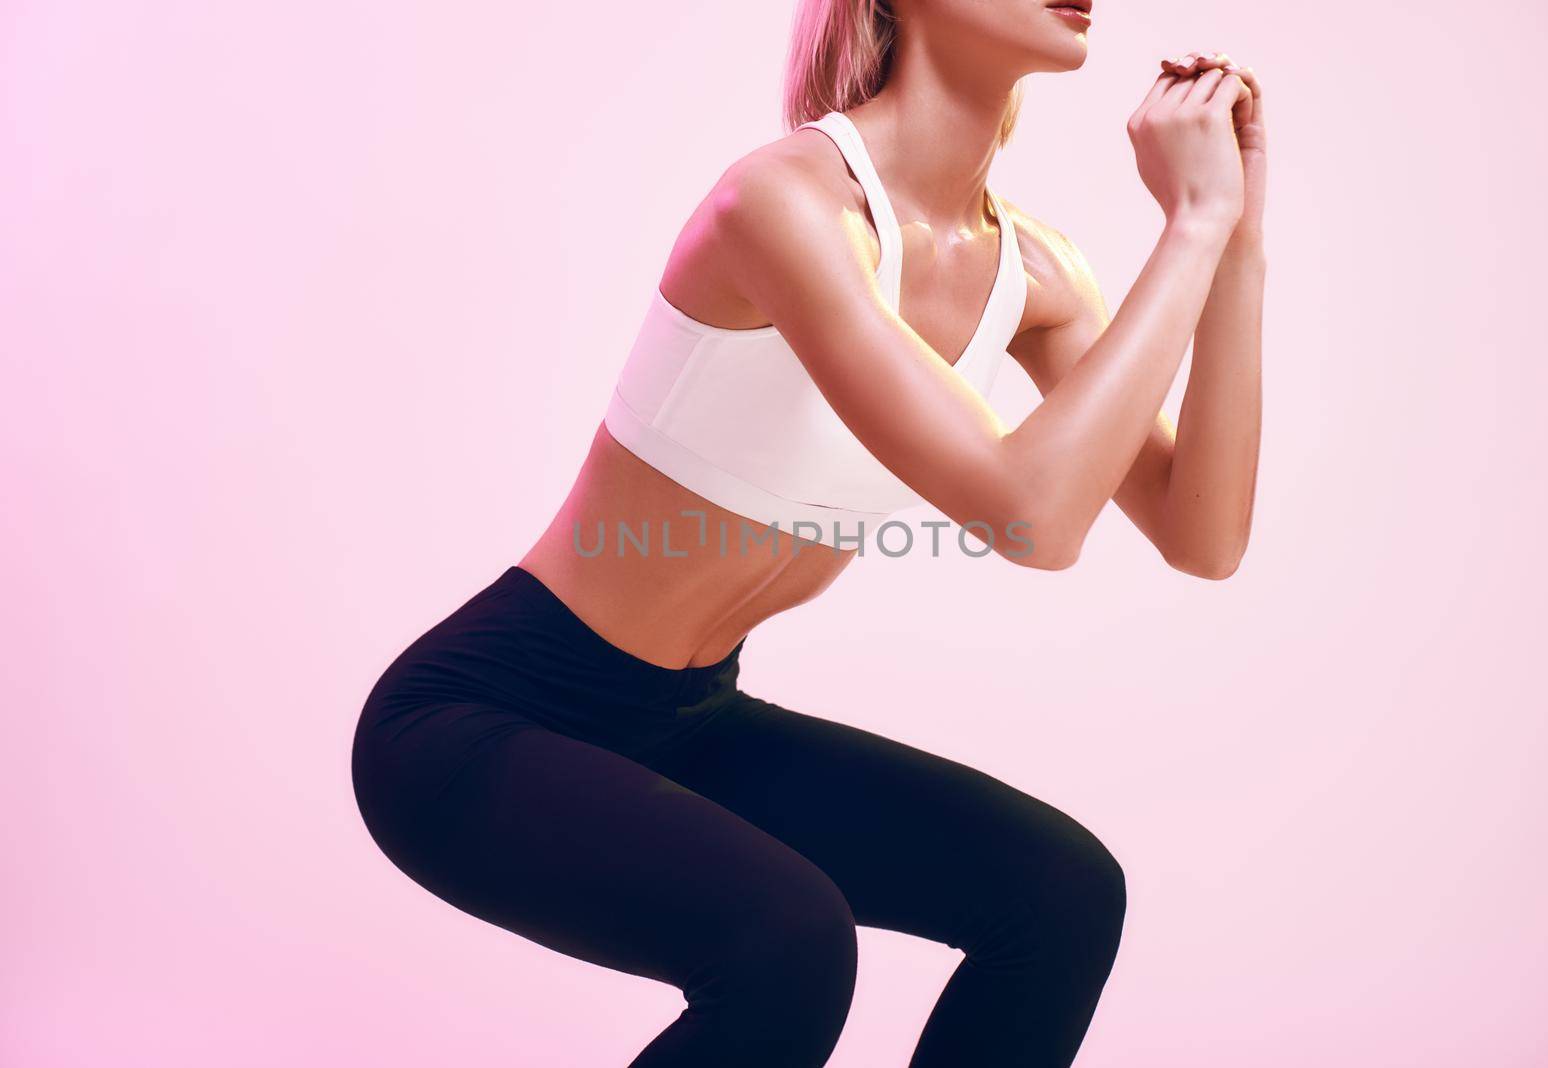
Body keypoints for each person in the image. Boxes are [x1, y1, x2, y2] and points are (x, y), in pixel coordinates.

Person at [351, 1, 1266, 1064]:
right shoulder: (783, 204)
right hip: (484, 719)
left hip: (683, 721)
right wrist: (1188, 224)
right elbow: (1032, 516)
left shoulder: (1036, 272)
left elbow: (1203, 534)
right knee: (785, 942)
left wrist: (1232, 233)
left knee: (1057, 893)